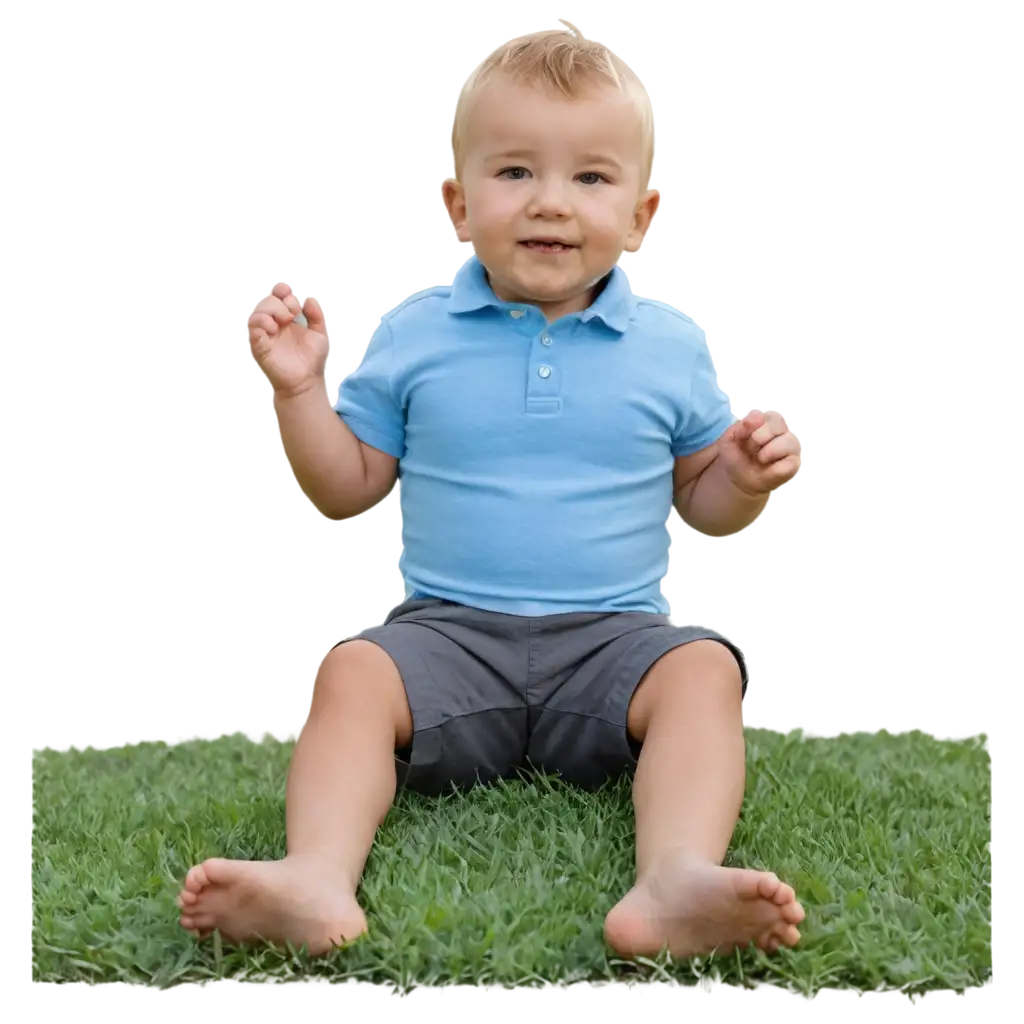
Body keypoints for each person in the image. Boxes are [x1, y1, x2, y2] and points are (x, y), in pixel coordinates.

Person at [178, 23, 807, 962]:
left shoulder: (669, 347)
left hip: (612, 641)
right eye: (515, 172)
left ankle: (674, 876)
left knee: (705, 670)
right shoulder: (414, 333)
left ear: (639, 214)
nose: (551, 202)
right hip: (447, 636)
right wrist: (298, 389)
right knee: (353, 669)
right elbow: (348, 484)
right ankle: (314, 874)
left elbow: (703, 500)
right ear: (457, 204)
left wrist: (743, 478)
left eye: (591, 178)